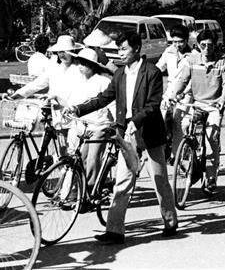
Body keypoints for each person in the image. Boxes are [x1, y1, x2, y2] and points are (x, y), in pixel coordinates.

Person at [68, 31, 177, 244]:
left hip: (149, 133)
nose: (120, 53)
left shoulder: (152, 72)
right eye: (118, 49)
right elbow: (103, 98)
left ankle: (170, 221)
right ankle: (114, 231)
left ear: (136, 48)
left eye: (124, 49)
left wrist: (136, 121)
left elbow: (153, 104)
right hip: (126, 134)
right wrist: (78, 109)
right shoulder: (119, 74)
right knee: (122, 181)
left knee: (159, 180)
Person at [164, 29, 225, 193]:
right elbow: (183, 80)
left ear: (215, 45)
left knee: (211, 139)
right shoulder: (192, 60)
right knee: (185, 128)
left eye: (210, 45)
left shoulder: (223, 61)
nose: (207, 49)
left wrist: (222, 99)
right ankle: (190, 163)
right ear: (198, 45)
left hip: (214, 106)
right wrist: (174, 95)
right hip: (196, 103)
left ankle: (211, 178)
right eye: (203, 45)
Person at [55, 48, 114, 190]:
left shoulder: (103, 81)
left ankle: (91, 189)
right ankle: (81, 190)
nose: (81, 66)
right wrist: (62, 104)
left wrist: (116, 124)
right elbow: (72, 102)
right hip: (83, 127)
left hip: (99, 126)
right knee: (80, 159)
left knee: (93, 159)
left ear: (92, 66)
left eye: (85, 64)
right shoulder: (78, 82)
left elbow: (112, 103)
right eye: (80, 63)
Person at [157, 25, 191, 161]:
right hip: (170, 91)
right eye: (174, 41)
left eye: (180, 42)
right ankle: (163, 151)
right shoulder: (168, 51)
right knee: (161, 120)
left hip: (186, 93)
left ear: (187, 40)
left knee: (179, 123)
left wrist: (182, 93)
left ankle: (176, 155)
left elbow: (192, 79)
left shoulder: (193, 55)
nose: (177, 45)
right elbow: (159, 67)